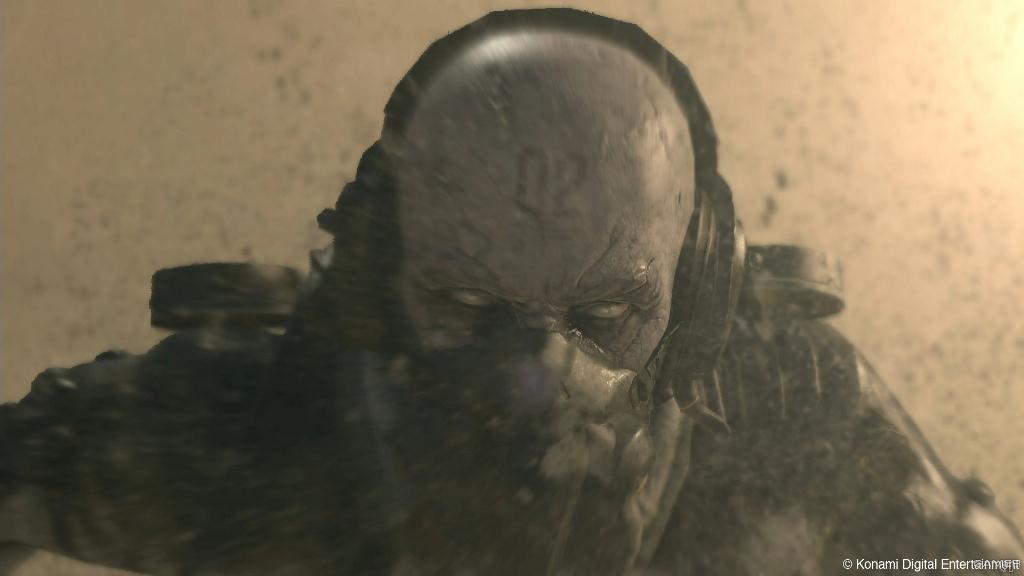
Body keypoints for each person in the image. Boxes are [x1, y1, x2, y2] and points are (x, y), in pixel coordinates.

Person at [1, 8, 1021, 576]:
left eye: (604, 317)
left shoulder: (791, 423)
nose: (534, 375)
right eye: (467, 306)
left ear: (699, 292)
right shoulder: (252, 434)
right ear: (378, 284)